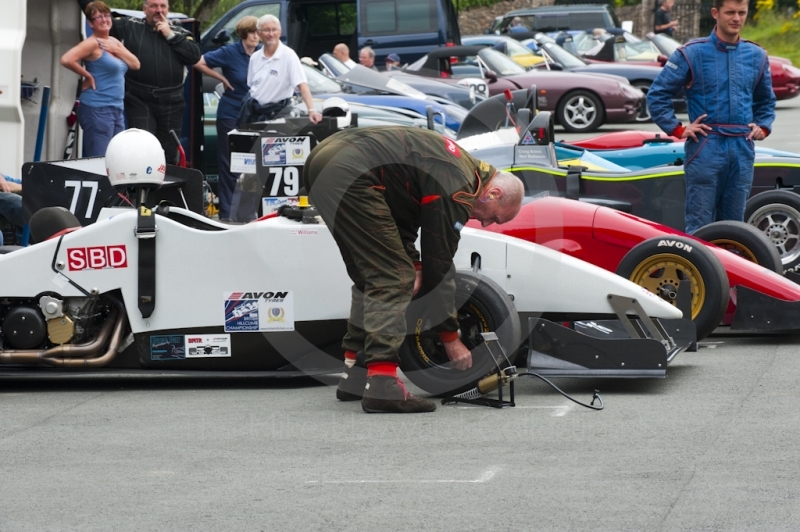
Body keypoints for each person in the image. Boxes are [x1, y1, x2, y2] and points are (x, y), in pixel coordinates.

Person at [304, 127, 524, 413]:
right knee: (393, 278)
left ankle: (355, 374)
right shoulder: (460, 186)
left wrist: (413, 262)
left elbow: (397, 219)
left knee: (374, 274)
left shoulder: (460, 166)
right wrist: (450, 337)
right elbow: (440, 262)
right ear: (493, 193)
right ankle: (382, 384)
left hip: (323, 161)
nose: (484, 224)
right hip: (350, 168)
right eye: (492, 217)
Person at [647, 0, 776, 235]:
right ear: (715, 13)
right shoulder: (691, 53)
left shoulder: (756, 55)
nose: (736, 18)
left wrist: (763, 127)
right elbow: (656, 96)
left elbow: (766, 102)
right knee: (701, 225)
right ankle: (700, 272)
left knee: (735, 228)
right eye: (730, 12)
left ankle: (730, 271)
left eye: (741, 12)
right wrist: (677, 129)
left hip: (742, 148)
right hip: (706, 146)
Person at [78, 0, 202, 164]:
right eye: (153, 6)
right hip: (140, 99)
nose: (158, 10)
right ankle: (141, 190)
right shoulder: (131, 25)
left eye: (162, 6)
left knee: (169, 154)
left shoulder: (179, 32)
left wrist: (169, 35)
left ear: (168, 9)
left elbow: (194, 56)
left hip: (172, 101)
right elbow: (102, 18)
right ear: (144, 9)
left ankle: (164, 190)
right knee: (142, 149)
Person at [192, 15, 260, 222]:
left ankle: (248, 212)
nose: (258, 36)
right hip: (230, 113)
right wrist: (221, 78)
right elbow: (198, 62)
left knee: (254, 166)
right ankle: (227, 214)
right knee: (231, 164)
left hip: (254, 115)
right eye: (254, 32)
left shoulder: (261, 54)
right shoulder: (230, 52)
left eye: (259, 32)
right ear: (244, 33)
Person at [60, 1, 140, 157]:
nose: (104, 20)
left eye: (106, 15)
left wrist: (117, 49)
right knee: (98, 159)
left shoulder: (114, 42)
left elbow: (136, 64)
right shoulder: (92, 44)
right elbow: (66, 59)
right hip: (98, 108)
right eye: (98, 17)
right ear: (90, 23)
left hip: (117, 109)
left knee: (116, 158)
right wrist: (87, 75)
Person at [240, 14, 322, 124]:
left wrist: (311, 110)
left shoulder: (289, 55)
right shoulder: (255, 57)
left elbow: (302, 84)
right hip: (255, 113)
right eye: (266, 30)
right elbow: (251, 85)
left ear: (280, 32)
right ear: (259, 33)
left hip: (279, 114)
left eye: (274, 30)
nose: (271, 34)